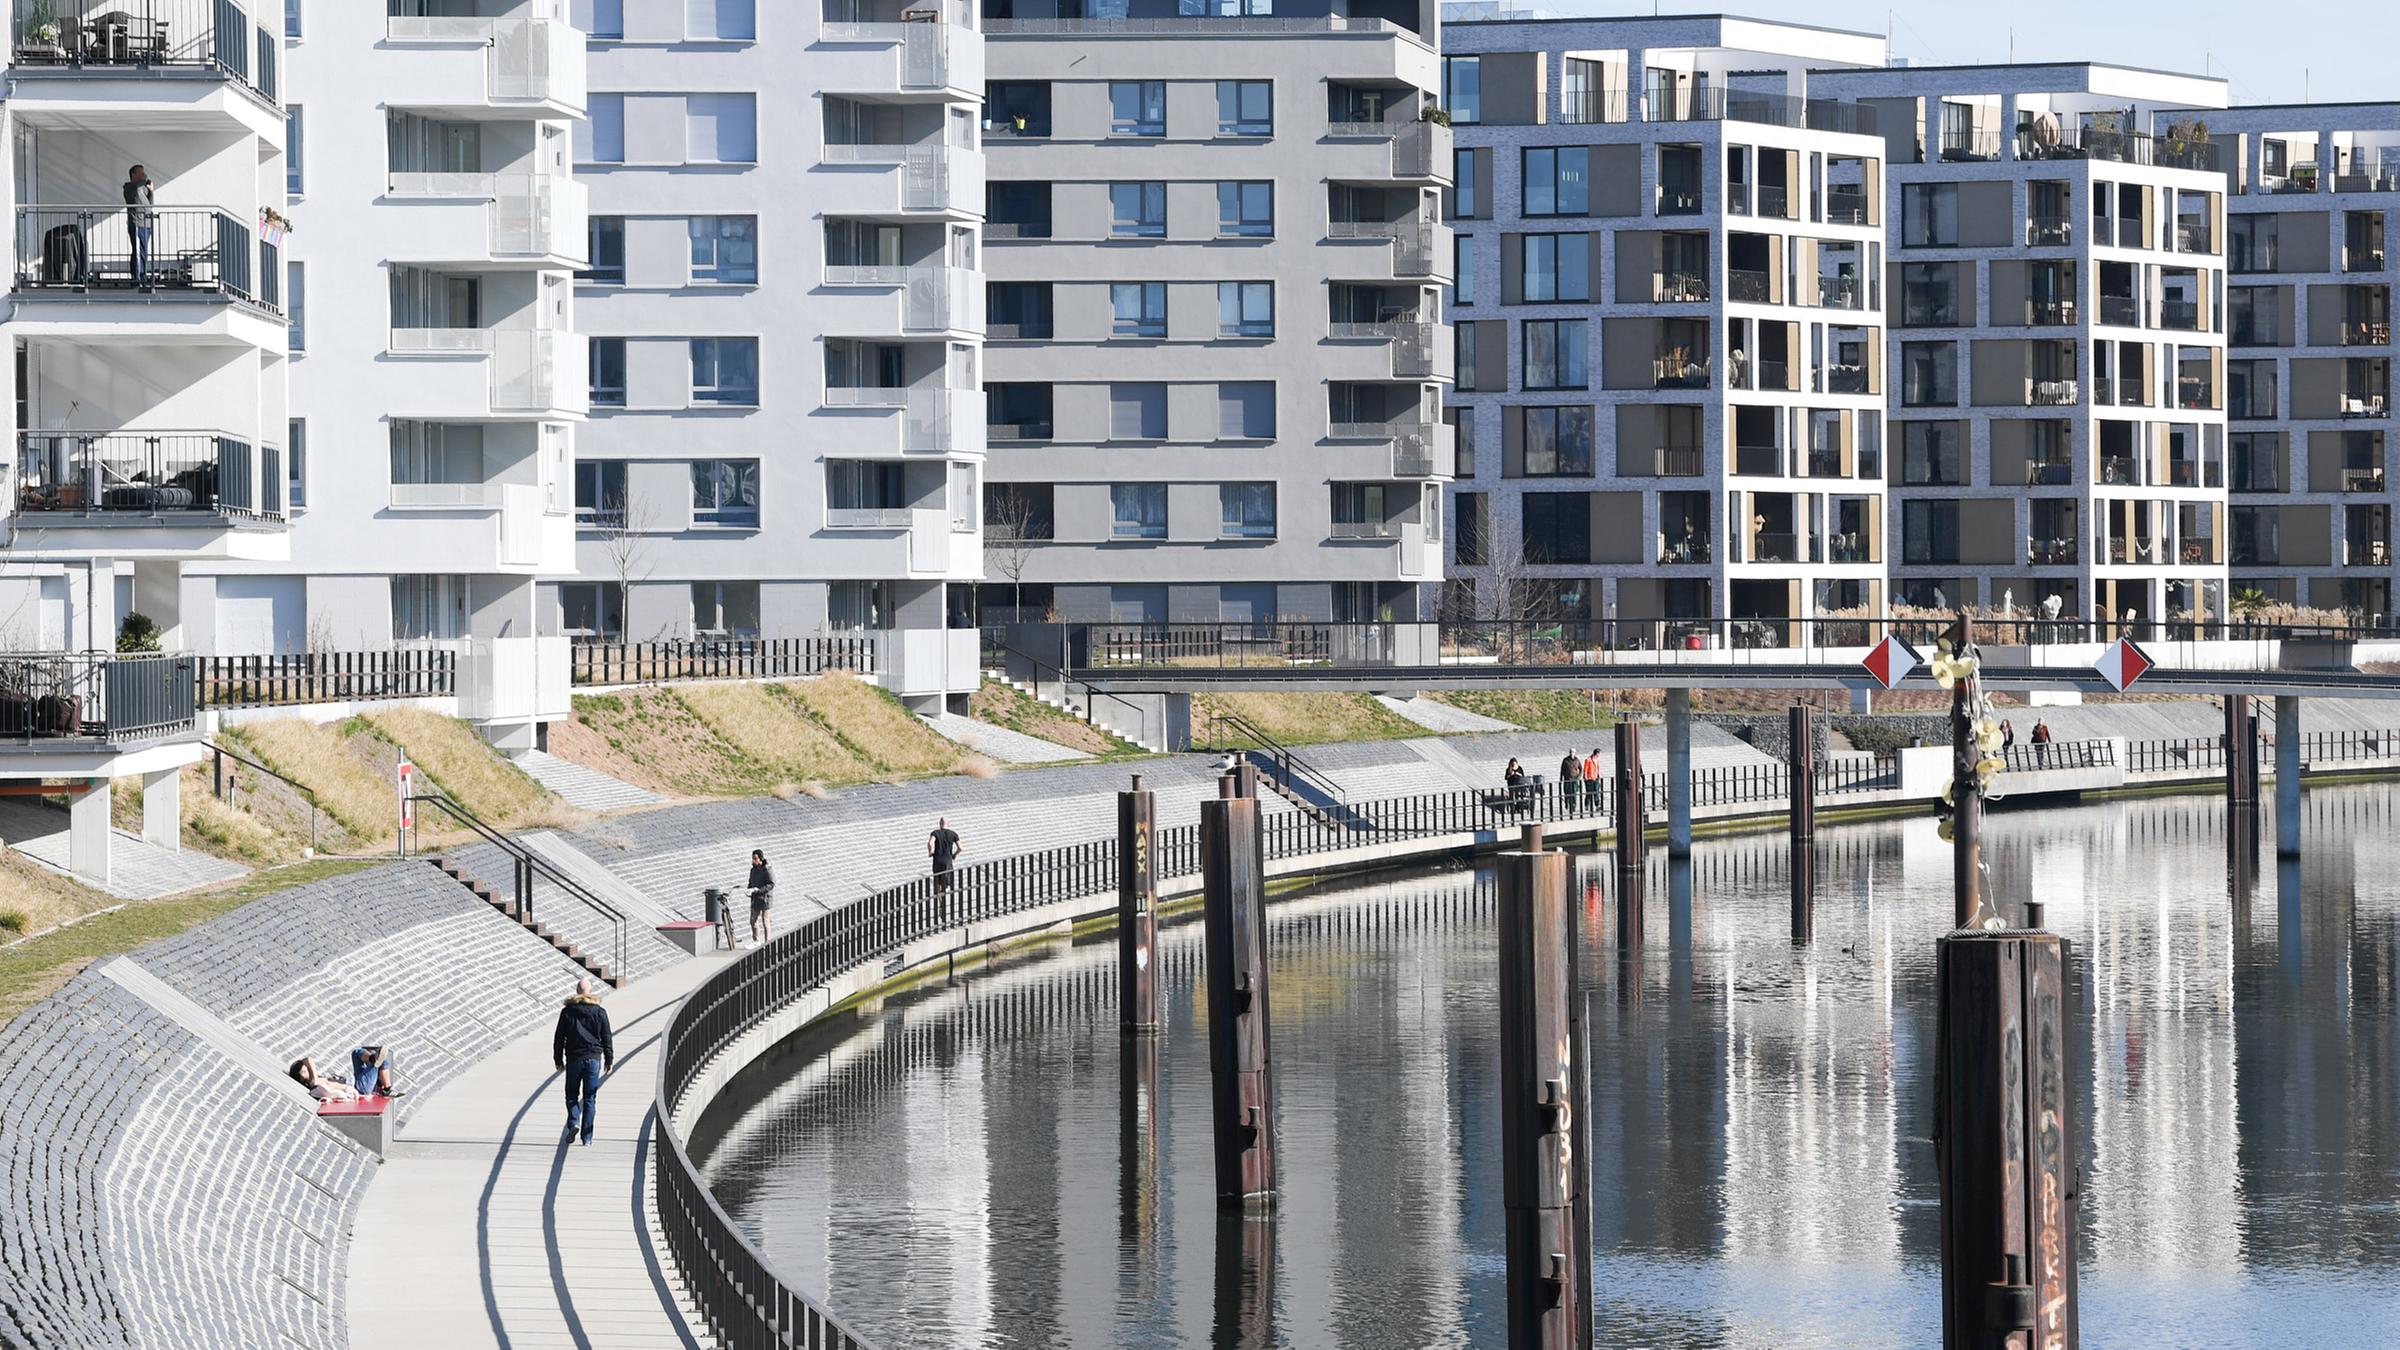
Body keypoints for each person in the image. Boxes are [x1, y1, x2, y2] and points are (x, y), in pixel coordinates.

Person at [553, 978, 614, 1147]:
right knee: (590, 1098)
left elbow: (559, 1038)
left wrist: (558, 1060)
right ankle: (587, 1138)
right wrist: (609, 1059)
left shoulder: (567, 1012)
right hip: (593, 1059)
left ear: (577, 991)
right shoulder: (600, 1012)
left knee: (571, 1094)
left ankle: (574, 1122)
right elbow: (607, 1037)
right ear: (590, 991)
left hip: (574, 1059)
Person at [124, 165, 155, 286]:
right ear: (133, 174)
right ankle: (137, 278)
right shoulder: (130, 188)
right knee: (138, 251)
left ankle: (142, 276)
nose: (144, 175)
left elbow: (149, 205)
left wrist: (151, 191)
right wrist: (145, 180)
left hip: (146, 224)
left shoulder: (141, 189)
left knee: (143, 251)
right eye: (141, 173)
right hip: (137, 224)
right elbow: (136, 190)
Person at [289, 1057, 359, 1103]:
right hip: (353, 1085)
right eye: (305, 1070)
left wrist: (314, 1074)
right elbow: (309, 1059)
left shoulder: (315, 1078)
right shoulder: (314, 1083)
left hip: (350, 1081)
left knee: (359, 1055)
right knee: (357, 1054)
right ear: (302, 1075)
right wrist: (314, 1075)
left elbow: (308, 1059)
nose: (308, 1068)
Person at [745, 848, 774, 946]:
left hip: (765, 899)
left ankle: (767, 942)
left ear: (760, 859)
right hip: (755, 898)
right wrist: (749, 889)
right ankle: (756, 941)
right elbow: (750, 882)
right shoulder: (753, 870)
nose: (753, 860)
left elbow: (771, 884)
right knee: (753, 920)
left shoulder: (767, 869)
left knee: (765, 921)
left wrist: (759, 890)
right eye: (752, 858)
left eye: (755, 858)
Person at [928, 817, 963, 891]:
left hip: (937, 860)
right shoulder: (953, 834)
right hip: (947, 861)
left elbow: (930, 843)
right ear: (948, 824)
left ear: (940, 824)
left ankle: (939, 895)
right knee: (946, 881)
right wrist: (954, 854)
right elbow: (960, 848)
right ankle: (944, 891)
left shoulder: (935, 833)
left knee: (937, 881)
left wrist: (930, 852)